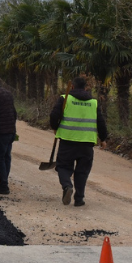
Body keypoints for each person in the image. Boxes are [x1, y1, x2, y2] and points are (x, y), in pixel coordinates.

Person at [50, 76, 108, 207]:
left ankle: (67, 186)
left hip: (68, 140)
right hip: (87, 143)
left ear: (72, 87)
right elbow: (101, 122)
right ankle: (79, 199)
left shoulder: (65, 99)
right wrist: (103, 138)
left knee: (63, 166)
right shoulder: (93, 102)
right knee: (82, 171)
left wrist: (55, 127)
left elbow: (54, 115)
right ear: (86, 88)